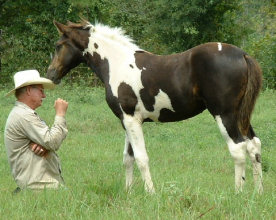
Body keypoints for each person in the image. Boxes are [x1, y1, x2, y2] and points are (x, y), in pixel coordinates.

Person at [4, 69, 69, 192]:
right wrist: (60, 114)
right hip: (37, 184)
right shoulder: (25, 116)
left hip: (36, 181)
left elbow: (47, 142)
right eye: (41, 91)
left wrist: (44, 146)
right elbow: (52, 141)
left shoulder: (22, 113)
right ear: (29, 90)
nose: (44, 95)